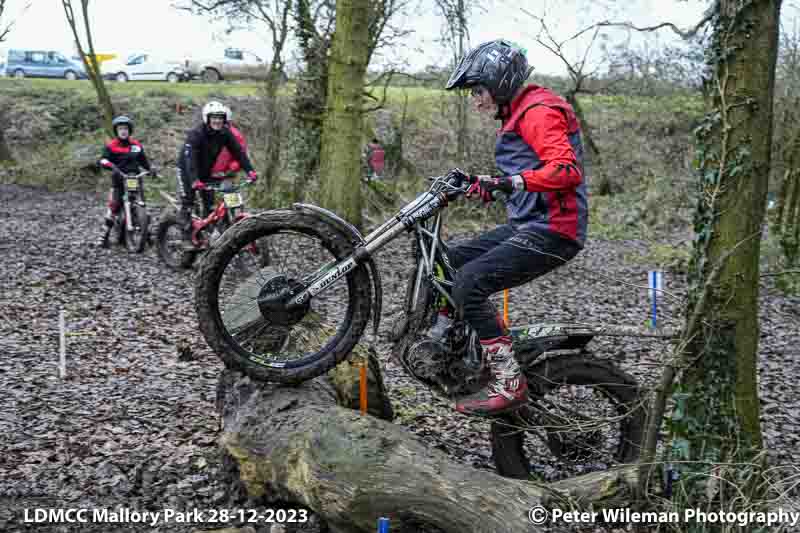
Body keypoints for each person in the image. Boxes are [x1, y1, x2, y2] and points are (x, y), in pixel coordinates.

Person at [441, 39, 588, 416]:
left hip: (555, 228)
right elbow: (526, 176)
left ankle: (508, 381)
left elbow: (565, 171)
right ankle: (464, 347)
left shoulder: (538, 111)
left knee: (470, 281)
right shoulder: (519, 114)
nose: (475, 100)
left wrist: (510, 183)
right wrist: (484, 184)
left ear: (499, 81)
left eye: (477, 90)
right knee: (449, 261)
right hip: (529, 221)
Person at [175, 101, 257, 238]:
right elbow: (190, 158)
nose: (217, 121)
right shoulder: (196, 134)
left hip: (206, 171)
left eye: (220, 118)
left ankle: (206, 235)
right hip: (187, 170)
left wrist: (250, 171)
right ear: (207, 118)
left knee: (210, 204)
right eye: (214, 117)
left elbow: (238, 152)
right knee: (188, 200)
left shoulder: (225, 133)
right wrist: (194, 180)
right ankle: (186, 236)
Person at [98, 115, 153, 247]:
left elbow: (144, 162)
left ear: (130, 130)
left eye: (125, 128)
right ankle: (104, 235)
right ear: (116, 131)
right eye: (120, 128)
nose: (123, 131)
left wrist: (151, 169)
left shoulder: (136, 145)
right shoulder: (111, 146)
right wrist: (109, 165)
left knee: (142, 205)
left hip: (135, 179)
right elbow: (103, 159)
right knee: (114, 205)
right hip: (119, 180)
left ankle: (147, 233)